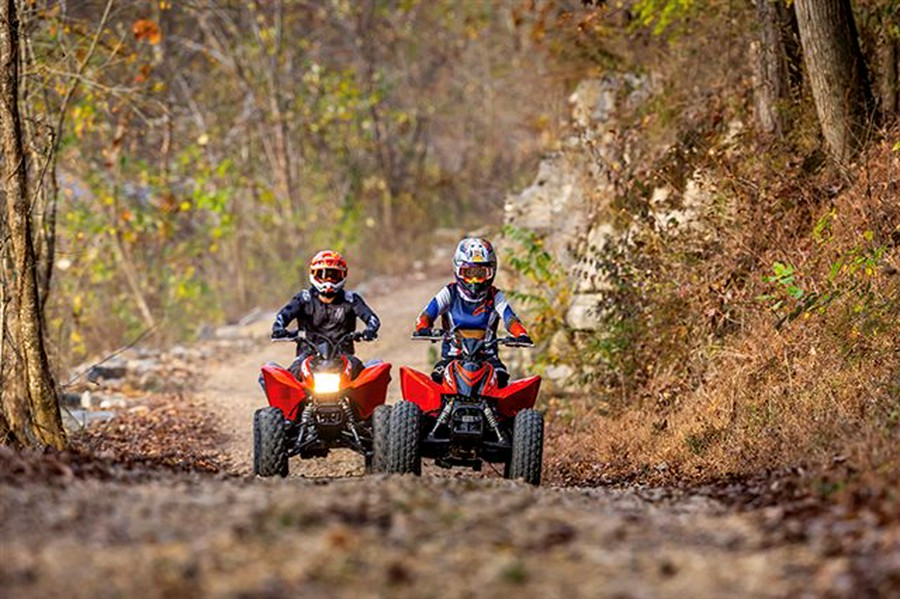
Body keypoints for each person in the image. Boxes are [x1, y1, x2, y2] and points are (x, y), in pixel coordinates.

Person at [413, 237, 532, 387]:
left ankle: (503, 411)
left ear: (491, 272)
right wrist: (423, 328)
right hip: (452, 357)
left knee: (501, 379)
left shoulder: (495, 296)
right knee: (437, 377)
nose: (474, 281)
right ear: (458, 270)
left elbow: (510, 319)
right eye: (469, 273)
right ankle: (437, 411)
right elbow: (426, 315)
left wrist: (520, 334)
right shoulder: (449, 292)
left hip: (488, 358)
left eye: (481, 274)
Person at [272, 250, 380, 379]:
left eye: (334, 275)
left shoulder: (351, 299)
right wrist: (279, 329)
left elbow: (373, 319)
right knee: (283, 378)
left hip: (343, 355)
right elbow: (282, 316)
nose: (328, 280)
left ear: (343, 275)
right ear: (313, 274)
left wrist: (370, 330)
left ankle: (367, 400)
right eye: (323, 274)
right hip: (308, 355)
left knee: (371, 375)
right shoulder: (304, 298)